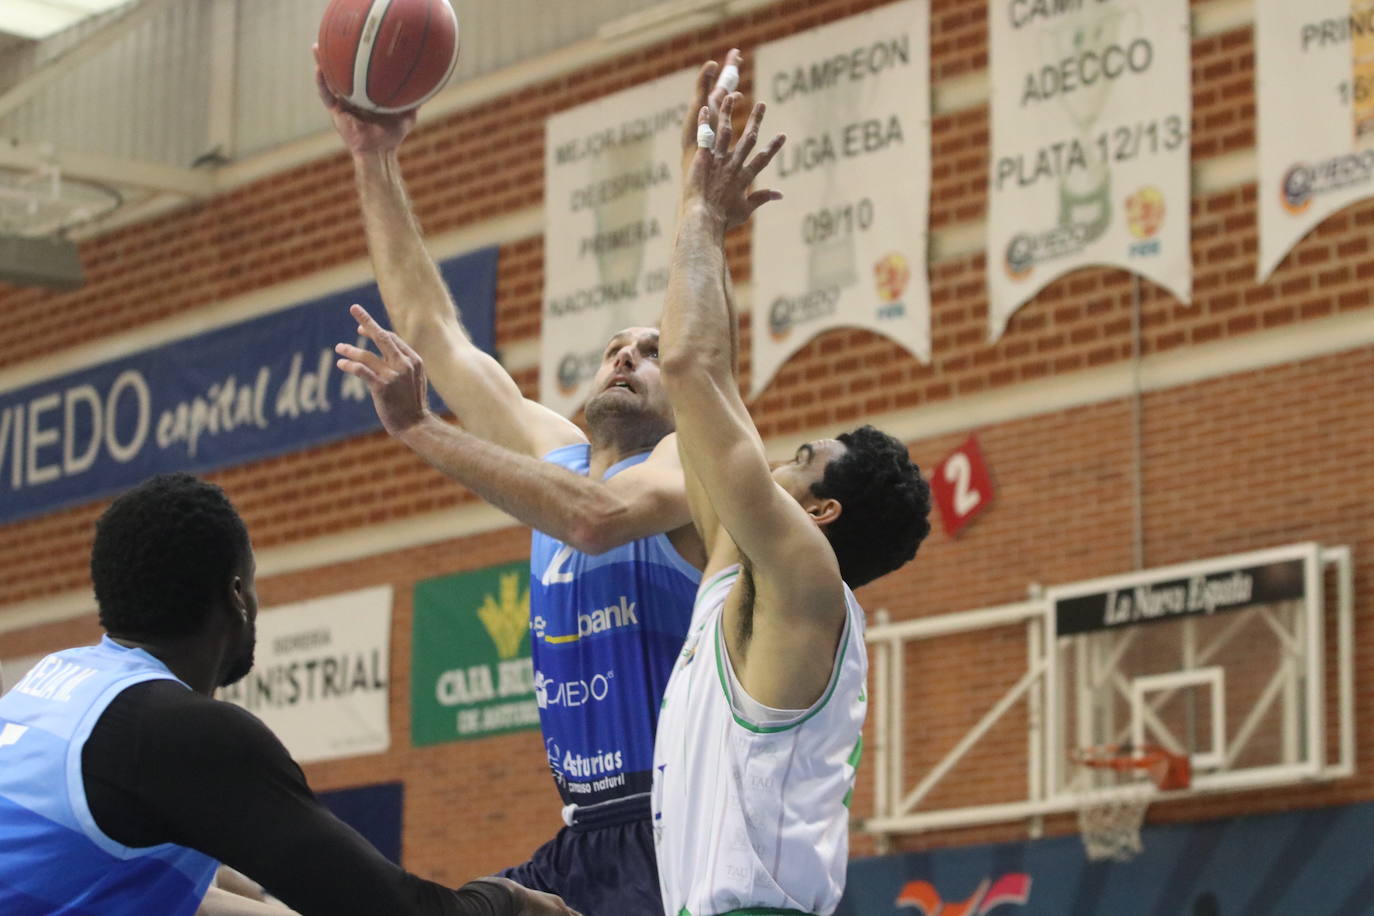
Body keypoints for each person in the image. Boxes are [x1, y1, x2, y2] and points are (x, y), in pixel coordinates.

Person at [322, 48, 746, 915]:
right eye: (616, 347)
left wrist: (423, 430)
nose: (629, 353)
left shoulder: (684, 469)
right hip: (581, 833)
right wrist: (374, 157)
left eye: (655, 352)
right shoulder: (552, 455)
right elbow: (434, 332)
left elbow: (594, 519)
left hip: (679, 829)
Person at [0, 473, 576, 916]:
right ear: (237, 596)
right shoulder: (180, 733)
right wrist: (507, 901)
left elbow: (188, 888)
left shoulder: (57, 682)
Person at [649, 92, 932, 916]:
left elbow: (692, 370)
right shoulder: (746, 582)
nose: (777, 458)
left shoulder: (808, 580)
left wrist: (700, 216)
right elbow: (706, 392)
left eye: (803, 462)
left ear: (822, 516)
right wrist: (694, 209)